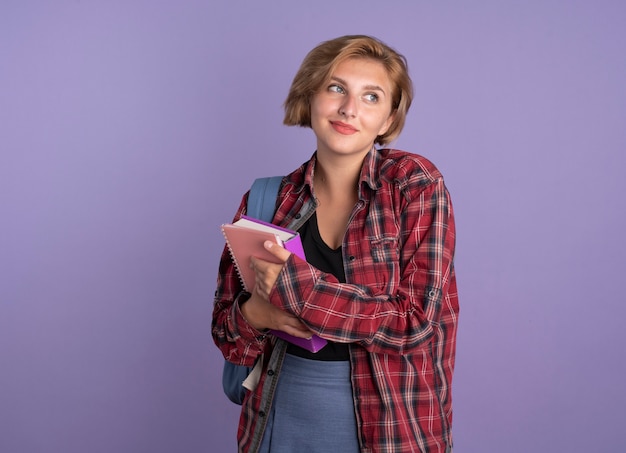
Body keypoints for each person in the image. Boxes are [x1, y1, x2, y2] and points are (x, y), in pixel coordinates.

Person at [212, 35, 459, 453]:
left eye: (371, 96)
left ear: (387, 119)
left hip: (393, 428)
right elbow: (227, 334)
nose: (349, 109)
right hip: (277, 417)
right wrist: (257, 313)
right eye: (336, 88)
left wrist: (296, 287)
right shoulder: (269, 199)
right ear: (310, 96)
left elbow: (416, 323)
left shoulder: (414, 184)